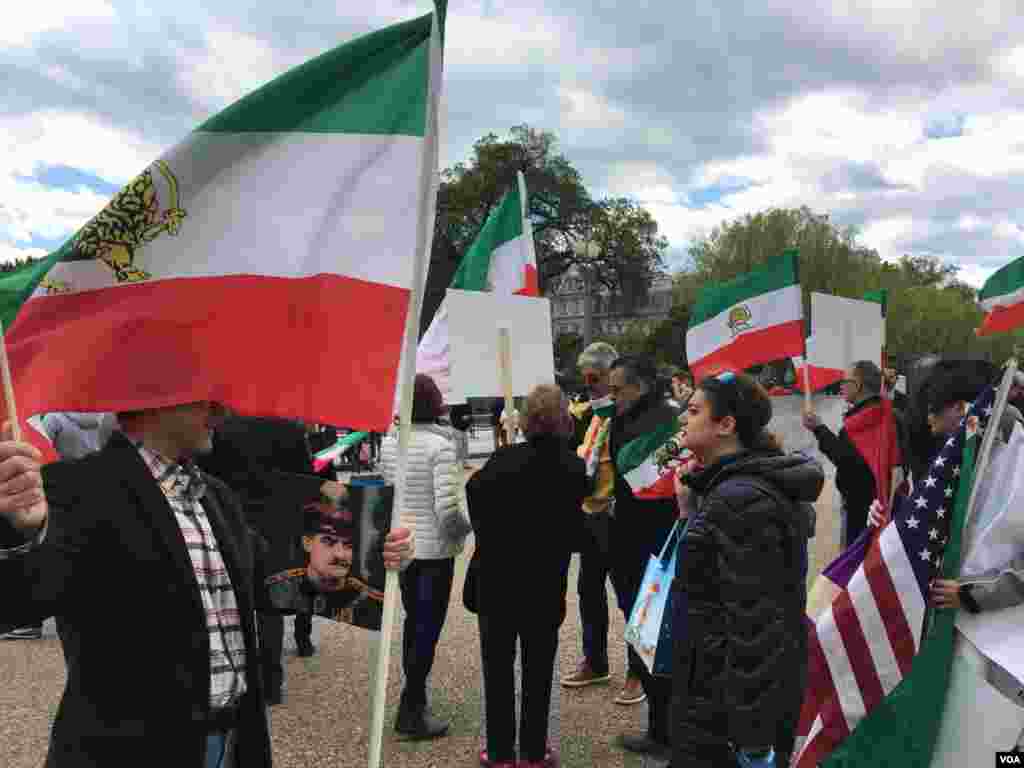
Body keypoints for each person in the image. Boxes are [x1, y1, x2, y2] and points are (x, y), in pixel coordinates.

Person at [0, 402, 413, 768]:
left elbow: (269, 582)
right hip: (132, 751)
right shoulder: (76, 487)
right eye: (204, 399)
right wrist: (20, 530)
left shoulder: (214, 495)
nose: (222, 412)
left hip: (230, 741)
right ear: (153, 399)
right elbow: (19, 601)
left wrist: (376, 555)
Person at [671, 372, 823, 768]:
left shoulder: (740, 500)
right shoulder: (731, 489)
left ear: (726, 425)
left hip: (723, 709)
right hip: (714, 691)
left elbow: (755, 626)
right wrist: (689, 510)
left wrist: (753, 741)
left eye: (693, 410)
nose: (682, 420)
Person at [466, 384, 587, 768]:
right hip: (544, 585)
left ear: (525, 421)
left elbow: (475, 500)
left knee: (497, 672)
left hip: (496, 584)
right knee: (538, 672)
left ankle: (500, 753)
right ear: (564, 421)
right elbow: (574, 534)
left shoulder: (501, 462)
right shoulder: (572, 468)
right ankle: (534, 752)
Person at [197, 415, 342, 705]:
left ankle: (236, 672)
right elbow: (308, 476)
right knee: (270, 603)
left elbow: (205, 473)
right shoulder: (288, 428)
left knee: (230, 599)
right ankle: (272, 682)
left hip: (228, 516)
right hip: (276, 519)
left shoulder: (220, 427)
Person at [381, 374, 471, 740]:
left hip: (404, 546)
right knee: (427, 628)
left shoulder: (390, 444)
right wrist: (464, 531)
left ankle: (412, 698)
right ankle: (412, 706)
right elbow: (448, 510)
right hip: (434, 551)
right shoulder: (440, 446)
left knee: (413, 623)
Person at [560, 342, 646, 704]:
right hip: (590, 514)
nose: (588, 384)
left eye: (594, 377)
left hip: (619, 516)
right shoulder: (590, 414)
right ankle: (595, 661)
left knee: (629, 596)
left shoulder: (627, 414)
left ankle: (638, 671)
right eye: (585, 377)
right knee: (588, 592)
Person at [606, 355, 681, 758]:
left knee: (654, 635)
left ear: (643, 385)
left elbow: (642, 477)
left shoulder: (668, 419)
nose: (612, 396)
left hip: (656, 541)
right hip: (629, 539)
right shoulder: (628, 415)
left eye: (619, 389)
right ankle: (660, 727)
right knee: (641, 634)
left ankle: (664, 732)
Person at [2, 412, 117, 642]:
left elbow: (43, 448)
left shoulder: (55, 420)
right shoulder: (102, 418)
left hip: (62, 484)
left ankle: (32, 623)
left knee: (48, 547)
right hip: (99, 485)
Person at [802, 360, 903, 548]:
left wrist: (819, 428)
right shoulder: (889, 413)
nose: (841, 386)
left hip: (861, 508)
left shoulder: (859, 423)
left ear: (858, 385)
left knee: (855, 562)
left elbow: (844, 459)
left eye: (845, 381)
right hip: (889, 503)